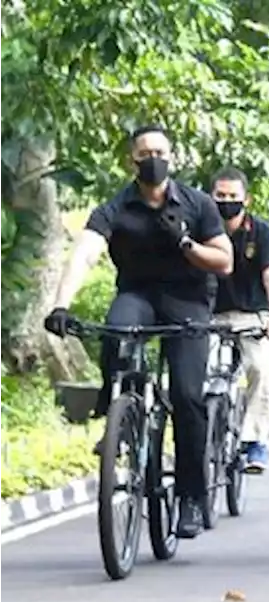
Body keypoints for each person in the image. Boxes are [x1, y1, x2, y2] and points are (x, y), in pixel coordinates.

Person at [43, 124, 233, 539]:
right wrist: (60, 304)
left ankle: (190, 496)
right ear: (132, 160)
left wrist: (186, 245)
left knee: (186, 396)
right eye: (144, 154)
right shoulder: (116, 208)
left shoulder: (198, 204)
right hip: (139, 295)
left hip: (188, 300)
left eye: (159, 152)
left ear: (172, 156)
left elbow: (224, 261)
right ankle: (118, 412)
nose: (153, 160)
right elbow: (86, 253)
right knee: (115, 330)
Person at [207, 167, 269, 473]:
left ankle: (254, 441)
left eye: (233, 197)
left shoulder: (263, 234)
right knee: (194, 373)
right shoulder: (199, 231)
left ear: (246, 199)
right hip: (208, 317)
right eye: (220, 196)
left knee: (260, 369)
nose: (226, 202)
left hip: (252, 317)